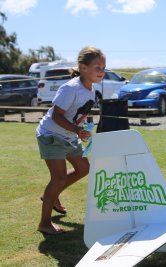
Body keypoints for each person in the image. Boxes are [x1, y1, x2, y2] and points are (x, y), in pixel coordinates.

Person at [36, 46, 106, 235]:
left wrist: (85, 131)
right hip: (51, 135)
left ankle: (52, 195)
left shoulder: (91, 90)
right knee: (58, 178)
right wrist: (76, 130)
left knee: (84, 168)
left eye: (103, 67)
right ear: (83, 68)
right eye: (97, 67)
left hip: (69, 135)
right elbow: (56, 116)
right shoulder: (70, 88)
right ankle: (44, 223)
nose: (102, 71)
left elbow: (80, 114)